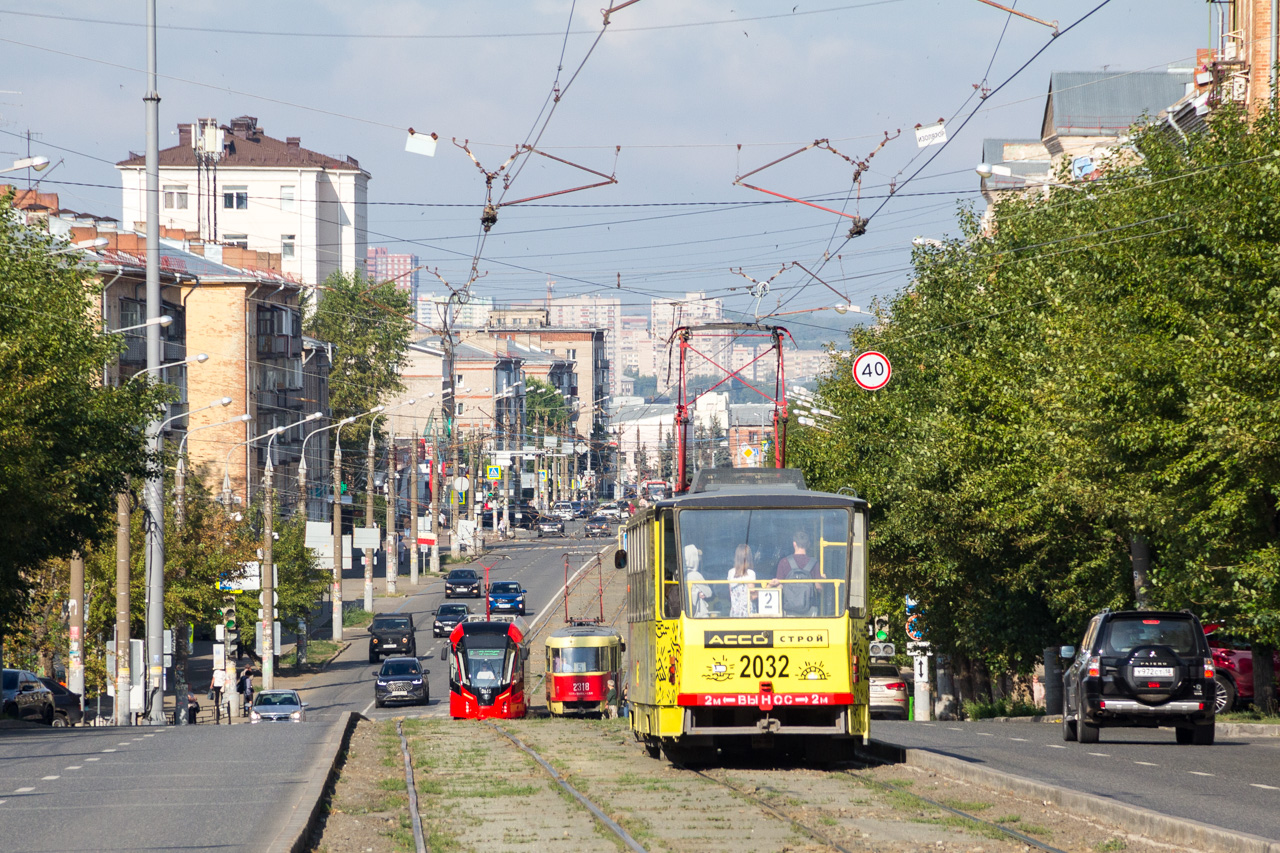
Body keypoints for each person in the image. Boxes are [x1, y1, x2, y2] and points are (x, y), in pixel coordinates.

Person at [770, 530, 819, 615]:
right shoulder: (814, 563)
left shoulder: (784, 562)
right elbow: (819, 588)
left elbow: (779, 586)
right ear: (808, 545)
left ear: (794, 544)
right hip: (809, 610)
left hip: (789, 610)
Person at [728, 544, 757, 618]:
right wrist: (765, 590)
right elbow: (752, 596)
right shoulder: (750, 573)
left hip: (735, 612)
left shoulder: (731, 572)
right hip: (748, 613)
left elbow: (731, 594)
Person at [684, 544, 712, 618]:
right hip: (699, 614)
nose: (699, 559)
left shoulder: (677, 574)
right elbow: (709, 593)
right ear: (693, 558)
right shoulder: (695, 575)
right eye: (697, 556)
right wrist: (698, 593)